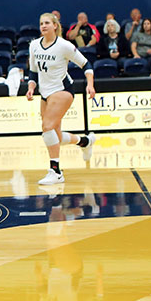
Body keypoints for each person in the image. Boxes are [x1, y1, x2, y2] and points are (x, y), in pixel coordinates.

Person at [26, 12, 96, 186]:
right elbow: (34, 71)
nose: (43, 26)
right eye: (41, 23)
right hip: (44, 92)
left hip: (62, 90)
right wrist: (31, 87)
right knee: (55, 135)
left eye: (47, 23)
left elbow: (86, 64)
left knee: (47, 127)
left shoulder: (64, 45)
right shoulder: (34, 45)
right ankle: (85, 141)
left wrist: (90, 84)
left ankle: (56, 171)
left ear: (55, 25)